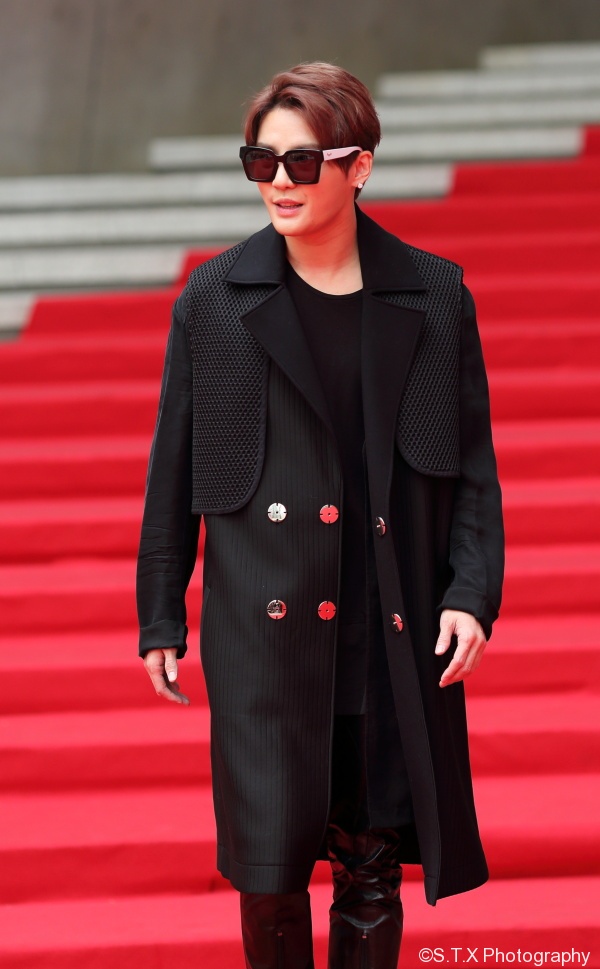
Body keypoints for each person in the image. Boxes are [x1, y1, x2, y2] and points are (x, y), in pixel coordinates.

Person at [136, 62, 504, 969]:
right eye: (260, 162)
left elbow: (472, 470)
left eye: (302, 163)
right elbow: (172, 466)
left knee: (371, 863)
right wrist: (159, 611)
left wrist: (471, 593)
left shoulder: (434, 295)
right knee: (268, 874)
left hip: (386, 623)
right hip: (262, 632)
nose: (279, 183)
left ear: (358, 167)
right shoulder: (214, 299)